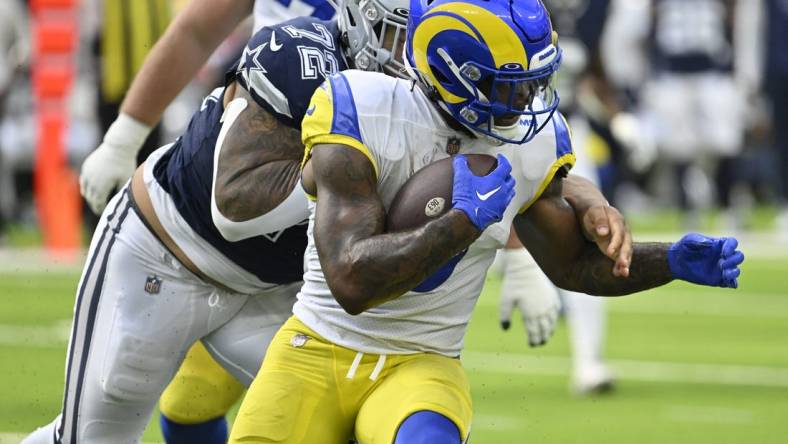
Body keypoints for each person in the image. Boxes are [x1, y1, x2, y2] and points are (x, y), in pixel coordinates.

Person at [24, 0, 626, 442]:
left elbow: (504, 155)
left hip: (271, 290)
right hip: (169, 255)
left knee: (332, 414)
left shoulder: (417, 87)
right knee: (90, 438)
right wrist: (332, 171)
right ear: (362, 19)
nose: (405, 53)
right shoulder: (302, 54)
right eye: (394, 34)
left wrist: (576, 196)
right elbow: (231, 209)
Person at [227, 0, 744, 442]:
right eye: (511, 84)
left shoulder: (532, 144)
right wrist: (458, 223)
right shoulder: (361, 109)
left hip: (422, 362)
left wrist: (669, 260)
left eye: (533, 82)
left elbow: (573, 269)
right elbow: (351, 280)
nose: (526, 101)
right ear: (458, 72)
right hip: (317, 345)